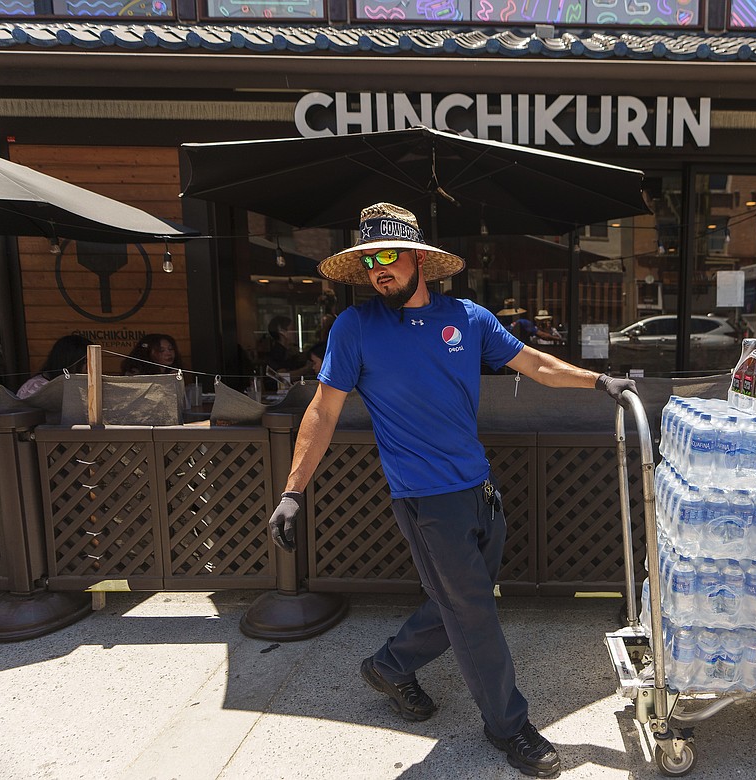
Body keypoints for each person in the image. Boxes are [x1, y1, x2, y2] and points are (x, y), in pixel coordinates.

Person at [266, 203, 636, 779]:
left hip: (480, 489)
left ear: (420, 260)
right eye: (368, 263)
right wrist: (293, 491)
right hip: (425, 501)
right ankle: (509, 726)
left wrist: (598, 380)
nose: (377, 271)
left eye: (387, 257)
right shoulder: (356, 328)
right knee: (475, 614)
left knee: (459, 601)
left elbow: (534, 365)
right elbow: (322, 411)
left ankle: (391, 664)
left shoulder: (468, 318)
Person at [18, 334, 94, 398]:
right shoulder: (36, 387)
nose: (89, 367)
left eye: (92, 362)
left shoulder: (83, 385)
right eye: (85, 362)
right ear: (68, 361)